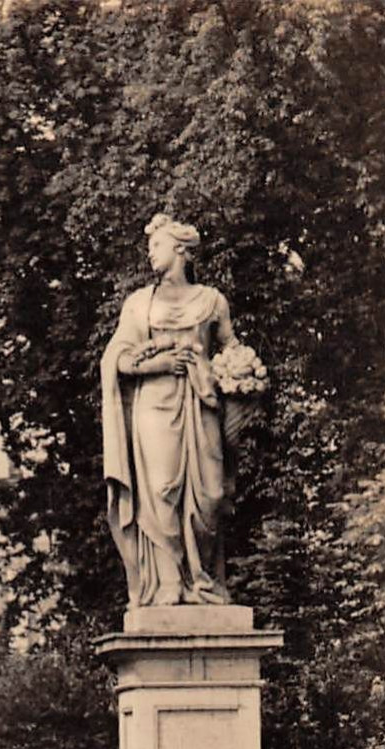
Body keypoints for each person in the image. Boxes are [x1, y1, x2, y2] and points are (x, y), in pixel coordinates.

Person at [101, 214, 236, 608]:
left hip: (201, 401)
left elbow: (232, 350)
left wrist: (240, 376)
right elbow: (119, 360)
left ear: (179, 249)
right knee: (161, 492)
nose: (150, 254)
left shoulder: (212, 300)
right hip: (154, 406)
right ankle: (168, 583)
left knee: (210, 494)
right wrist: (159, 364)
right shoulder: (140, 303)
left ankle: (204, 581)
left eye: (155, 246)